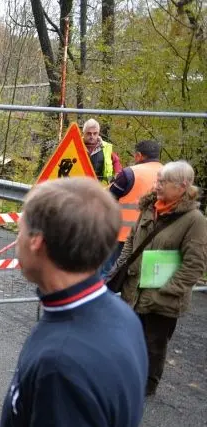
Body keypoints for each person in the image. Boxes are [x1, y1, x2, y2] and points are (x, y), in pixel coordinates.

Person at [0, 177, 147, 427]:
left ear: (37, 241)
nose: (17, 240)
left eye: (20, 229)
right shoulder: (120, 314)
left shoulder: (60, 365)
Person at [108, 160, 207, 396]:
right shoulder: (150, 207)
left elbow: (195, 264)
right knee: (127, 337)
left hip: (163, 299)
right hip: (134, 289)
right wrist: (120, 268)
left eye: (163, 182)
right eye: (158, 180)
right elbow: (132, 241)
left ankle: (145, 387)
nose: (157, 185)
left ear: (183, 186)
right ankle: (123, 378)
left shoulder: (195, 221)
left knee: (153, 345)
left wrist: (168, 290)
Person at [99, 140, 164, 278]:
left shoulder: (129, 173)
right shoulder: (169, 173)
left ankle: (102, 298)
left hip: (124, 235)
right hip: (156, 235)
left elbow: (108, 198)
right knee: (144, 276)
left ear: (139, 155)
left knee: (107, 272)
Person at [83, 118, 122, 183]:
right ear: (83, 133)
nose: (92, 136)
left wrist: (118, 175)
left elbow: (116, 161)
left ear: (98, 133)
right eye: (89, 133)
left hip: (100, 186)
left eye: (95, 133)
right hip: (79, 185)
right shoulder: (77, 145)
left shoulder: (106, 147)